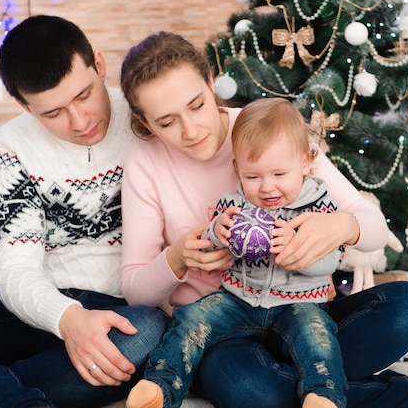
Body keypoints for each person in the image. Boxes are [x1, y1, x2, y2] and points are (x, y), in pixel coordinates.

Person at [118, 31, 408, 408]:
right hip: (224, 330)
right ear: (144, 121)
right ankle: (400, 393)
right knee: (249, 388)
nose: (191, 129)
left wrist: (342, 226)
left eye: (197, 104)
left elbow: (374, 227)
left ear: (210, 81)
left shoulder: (267, 129)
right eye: (166, 122)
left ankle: (302, 376)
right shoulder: (145, 162)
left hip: (302, 311)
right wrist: (177, 257)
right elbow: (135, 290)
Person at [0, 15, 170, 408]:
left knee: (148, 331)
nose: (80, 121)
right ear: (23, 105)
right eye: (53, 113)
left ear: (99, 63)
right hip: (40, 309)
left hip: (121, 310)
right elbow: (16, 270)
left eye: (83, 95)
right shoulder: (13, 146)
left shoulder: (144, 116)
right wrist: (68, 319)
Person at [126, 98, 347, 408]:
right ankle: (162, 385)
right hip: (237, 300)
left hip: (301, 304)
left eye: (279, 175)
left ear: (305, 163)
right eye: (253, 177)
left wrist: (300, 250)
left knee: (318, 337)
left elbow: (333, 259)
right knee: (193, 317)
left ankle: (323, 395)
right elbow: (210, 240)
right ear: (237, 170)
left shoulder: (321, 205)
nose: (267, 187)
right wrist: (216, 231)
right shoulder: (234, 206)